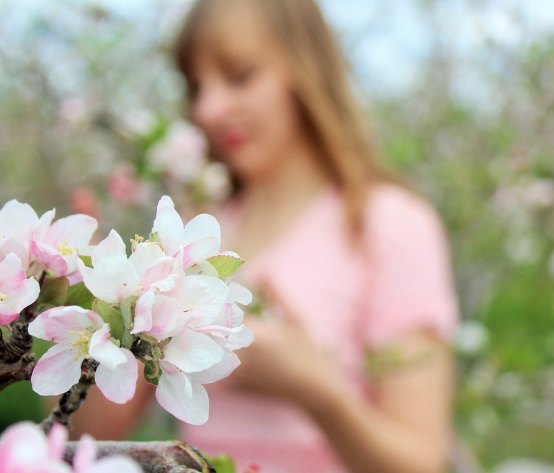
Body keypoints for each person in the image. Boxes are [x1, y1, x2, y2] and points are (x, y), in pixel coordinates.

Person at [71, 1, 459, 471]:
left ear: (305, 69)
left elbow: (423, 462)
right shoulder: (202, 231)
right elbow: (88, 435)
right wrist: (101, 306)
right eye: (196, 87)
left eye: (239, 75)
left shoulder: (388, 222)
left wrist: (315, 389)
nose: (208, 109)